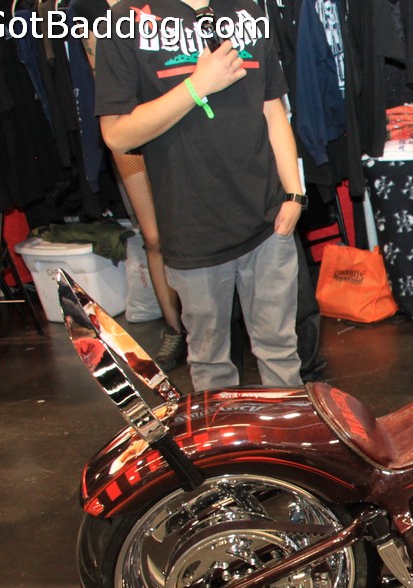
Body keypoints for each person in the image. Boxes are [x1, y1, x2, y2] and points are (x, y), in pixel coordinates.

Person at [95, 0, 306, 391]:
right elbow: (117, 134)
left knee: (280, 353)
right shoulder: (126, 20)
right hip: (192, 227)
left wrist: (294, 193)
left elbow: (272, 107)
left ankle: (286, 432)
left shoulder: (248, 9)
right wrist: (197, 86)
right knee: (211, 366)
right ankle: (221, 435)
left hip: (268, 220)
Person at [73, 0, 188, 371]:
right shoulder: (90, 9)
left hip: (181, 118)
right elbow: (99, 74)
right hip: (129, 125)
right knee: (154, 237)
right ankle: (176, 327)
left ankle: (210, 322)